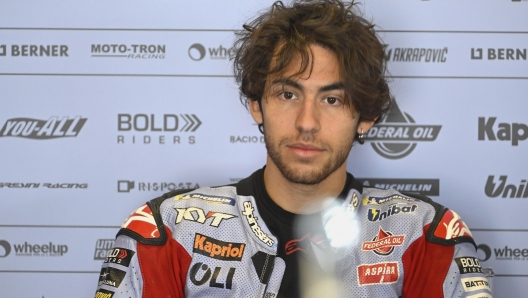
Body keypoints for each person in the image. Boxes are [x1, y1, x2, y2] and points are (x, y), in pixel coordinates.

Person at [95, 1, 491, 297]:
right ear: (256, 104)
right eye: (288, 93)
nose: (306, 121)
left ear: (366, 116)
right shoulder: (166, 230)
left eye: (332, 99)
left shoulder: (423, 234)